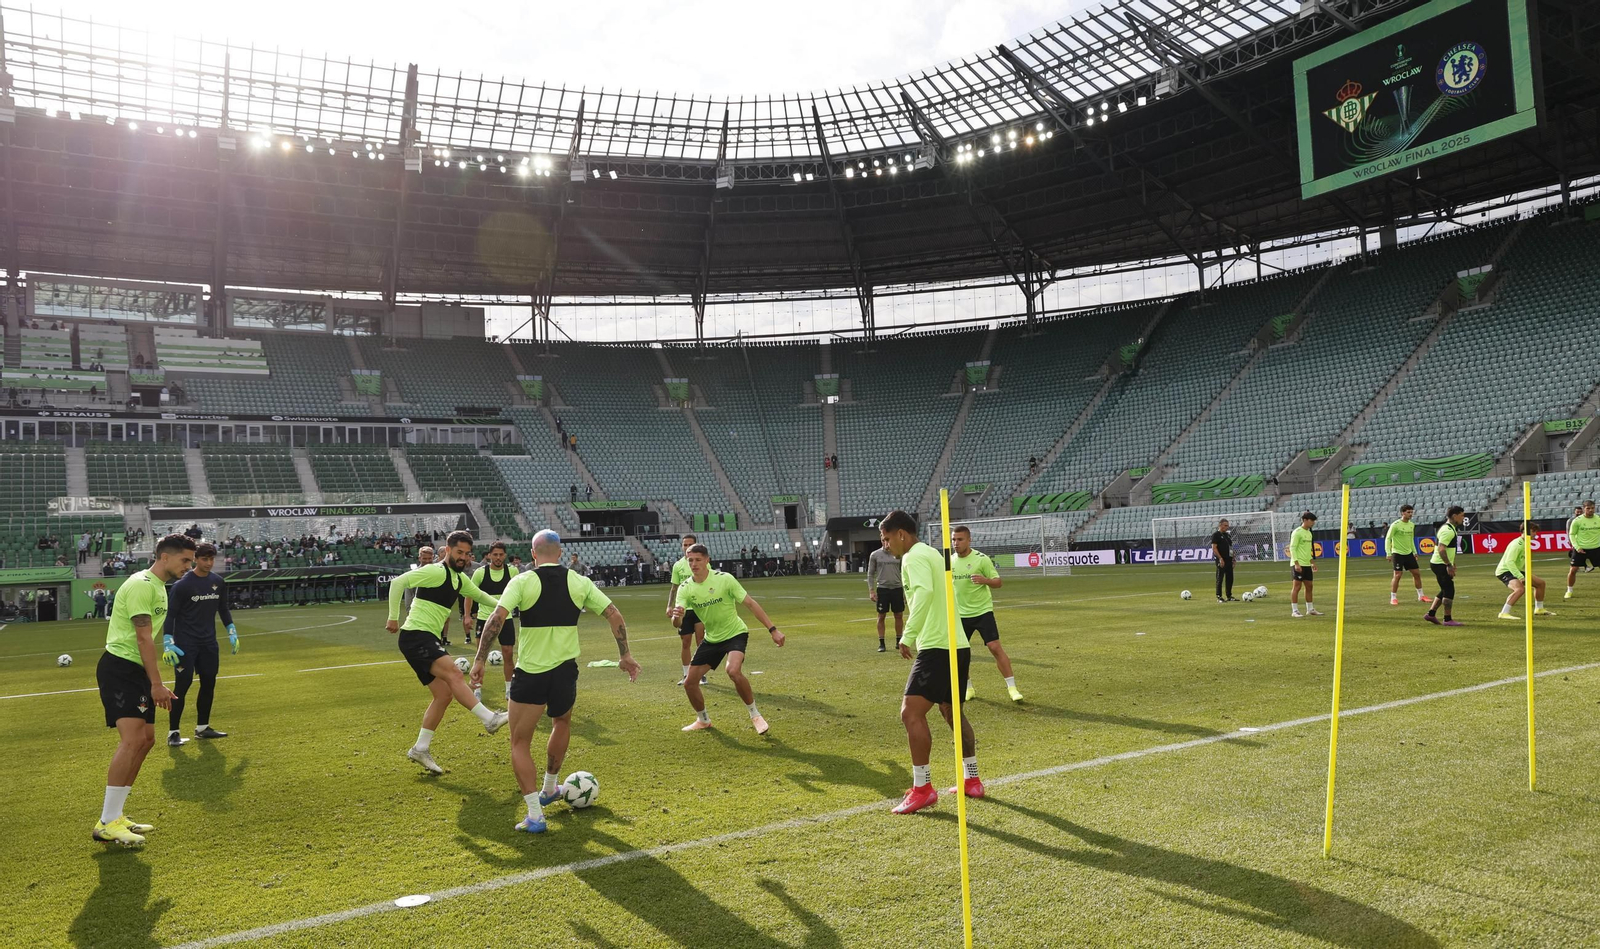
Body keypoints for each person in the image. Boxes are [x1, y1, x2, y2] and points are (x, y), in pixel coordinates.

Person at [471, 530, 638, 833]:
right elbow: (614, 615)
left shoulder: (521, 581)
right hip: (564, 671)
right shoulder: (579, 581)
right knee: (561, 722)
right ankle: (550, 786)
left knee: (520, 742)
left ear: (533, 555)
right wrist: (625, 655)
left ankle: (535, 814)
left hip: (531, 673)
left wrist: (480, 659)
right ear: (560, 553)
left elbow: (496, 618)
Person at [91, 533, 197, 847]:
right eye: (185, 560)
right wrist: (156, 684)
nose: (188, 567)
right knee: (133, 739)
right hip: (121, 668)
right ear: (165, 556)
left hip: (135, 669)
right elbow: (142, 638)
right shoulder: (141, 585)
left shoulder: (161, 588)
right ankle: (107, 822)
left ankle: (116, 815)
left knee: (147, 740)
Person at [881, 510, 982, 814]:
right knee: (952, 711)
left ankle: (923, 788)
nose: (886, 546)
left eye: (887, 539)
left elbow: (923, 593)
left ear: (901, 534)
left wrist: (907, 634)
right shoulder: (934, 555)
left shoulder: (913, 557)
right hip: (957, 644)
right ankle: (972, 779)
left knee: (910, 713)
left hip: (938, 645)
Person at [385, 531, 510, 774]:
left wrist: (508, 606)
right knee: (454, 674)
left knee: (443, 695)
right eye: (458, 552)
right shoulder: (435, 571)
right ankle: (489, 719)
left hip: (424, 638)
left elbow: (481, 596)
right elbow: (397, 582)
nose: (463, 557)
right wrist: (392, 617)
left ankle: (420, 749)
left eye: (466, 554)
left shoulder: (459, 579)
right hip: (415, 636)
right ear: (448, 550)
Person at [671, 543, 784, 734]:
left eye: (698, 559)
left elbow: (750, 603)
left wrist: (773, 629)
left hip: (735, 633)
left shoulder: (725, 579)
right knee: (690, 683)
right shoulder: (685, 588)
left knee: (732, 670)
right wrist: (677, 616)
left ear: (707, 560)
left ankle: (755, 715)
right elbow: (677, 623)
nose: (694, 563)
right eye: (690, 560)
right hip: (712, 639)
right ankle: (703, 720)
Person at [162, 542, 237, 746]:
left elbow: (223, 609)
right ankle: (173, 733)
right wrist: (168, 640)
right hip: (186, 644)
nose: (209, 563)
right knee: (182, 685)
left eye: (212, 559)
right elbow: (171, 615)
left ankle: (202, 728)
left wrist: (231, 630)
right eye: (205, 559)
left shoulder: (218, 582)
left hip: (208, 643)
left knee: (209, 683)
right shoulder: (182, 585)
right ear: (196, 559)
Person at [950, 526, 1023, 703]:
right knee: (959, 654)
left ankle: (1012, 688)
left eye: (960, 539)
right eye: (954, 540)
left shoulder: (981, 559)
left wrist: (985, 581)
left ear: (969, 540)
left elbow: (998, 582)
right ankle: (968, 688)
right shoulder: (949, 561)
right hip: (960, 615)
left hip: (982, 611)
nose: (956, 543)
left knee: (994, 647)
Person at [466, 541, 520, 704]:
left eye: (501, 554)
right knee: (480, 655)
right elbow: (469, 594)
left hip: (506, 618)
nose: (497, 557)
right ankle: (477, 689)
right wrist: (467, 615)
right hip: (484, 618)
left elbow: (521, 592)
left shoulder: (513, 571)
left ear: (505, 555)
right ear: (489, 555)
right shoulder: (480, 573)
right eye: (494, 554)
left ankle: (509, 690)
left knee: (508, 654)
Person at [666, 533, 709, 685]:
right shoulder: (678, 566)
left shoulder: (703, 563)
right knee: (685, 642)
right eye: (684, 545)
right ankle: (686, 674)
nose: (686, 547)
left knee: (700, 641)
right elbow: (674, 587)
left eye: (689, 544)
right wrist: (670, 605)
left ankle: (701, 675)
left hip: (700, 607)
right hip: (684, 609)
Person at [1496, 533, 1557, 620]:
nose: (1534, 534)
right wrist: (1520, 577)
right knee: (1519, 589)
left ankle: (1539, 609)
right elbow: (1509, 562)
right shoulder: (1517, 544)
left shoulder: (1525, 542)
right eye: (1532, 531)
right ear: (1524, 531)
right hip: (1505, 571)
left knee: (1540, 584)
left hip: (1515, 570)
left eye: (1535, 531)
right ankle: (1504, 613)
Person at [1424, 506, 1466, 626]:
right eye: (1462, 515)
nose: (1463, 518)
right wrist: (1448, 565)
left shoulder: (1450, 528)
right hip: (1440, 564)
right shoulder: (1447, 530)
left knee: (1444, 589)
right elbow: (1441, 549)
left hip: (1440, 563)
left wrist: (1452, 563)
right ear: (1454, 516)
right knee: (1449, 589)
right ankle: (1447, 619)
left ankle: (1430, 614)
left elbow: (1447, 550)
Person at [1385, 505, 1431, 606]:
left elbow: (1411, 539)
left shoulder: (1411, 525)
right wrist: (1388, 553)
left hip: (1408, 553)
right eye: (1408, 512)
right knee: (1397, 575)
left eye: (1411, 512)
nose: (1410, 514)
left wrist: (1414, 552)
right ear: (1403, 513)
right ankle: (1393, 597)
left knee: (1416, 573)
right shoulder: (1395, 525)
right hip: (1397, 553)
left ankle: (1421, 595)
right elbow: (1388, 538)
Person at [867, 537, 906, 653]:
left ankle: (899, 641)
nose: (886, 543)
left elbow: (904, 573)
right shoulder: (875, 555)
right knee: (881, 615)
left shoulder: (899, 554)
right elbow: (870, 574)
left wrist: (906, 591)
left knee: (899, 615)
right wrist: (871, 590)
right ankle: (881, 643)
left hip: (897, 588)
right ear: (881, 541)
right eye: (884, 540)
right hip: (883, 589)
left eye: (888, 540)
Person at [1564, 499, 1600, 599]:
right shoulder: (1577, 521)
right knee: (1573, 570)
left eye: (1592, 508)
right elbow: (1572, 534)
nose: (1591, 510)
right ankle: (1569, 590)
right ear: (1584, 509)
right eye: (1588, 508)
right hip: (1581, 548)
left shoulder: (1598, 519)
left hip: (1596, 548)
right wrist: (1577, 547)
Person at [1289, 511, 1321, 618]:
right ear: (1305, 520)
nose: (1313, 523)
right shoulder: (1297, 532)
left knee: (1309, 586)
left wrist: (1312, 562)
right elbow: (1292, 548)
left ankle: (1310, 609)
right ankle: (1295, 611)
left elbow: (1307, 550)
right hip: (1298, 564)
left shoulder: (1309, 533)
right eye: (1312, 521)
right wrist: (1296, 563)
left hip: (1307, 564)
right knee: (1296, 587)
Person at [1210, 518, 1236, 602]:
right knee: (1220, 577)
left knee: (1230, 578)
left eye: (1228, 526)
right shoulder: (1216, 535)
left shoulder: (1228, 535)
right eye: (1225, 525)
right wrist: (1220, 558)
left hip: (1229, 559)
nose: (1227, 527)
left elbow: (1230, 547)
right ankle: (1219, 596)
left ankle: (1229, 595)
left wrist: (1234, 559)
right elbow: (1214, 548)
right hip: (1221, 559)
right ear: (1220, 525)